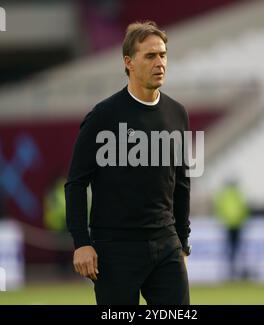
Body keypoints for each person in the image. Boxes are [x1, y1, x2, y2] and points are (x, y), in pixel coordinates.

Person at [65, 21, 191, 305]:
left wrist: (182, 242)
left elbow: (182, 181)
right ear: (128, 62)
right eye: (150, 56)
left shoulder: (177, 113)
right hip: (115, 249)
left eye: (163, 54)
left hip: (166, 245)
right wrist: (82, 242)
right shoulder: (103, 116)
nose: (160, 62)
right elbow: (75, 183)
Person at [213, 179, 249, 280]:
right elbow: (244, 209)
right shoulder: (238, 194)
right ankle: (233, 271)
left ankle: (232, 271)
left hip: (231, 225)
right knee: (235, 249)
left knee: (232, 250)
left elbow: (220, 208)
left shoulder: (225, 195)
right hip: (235, 225)